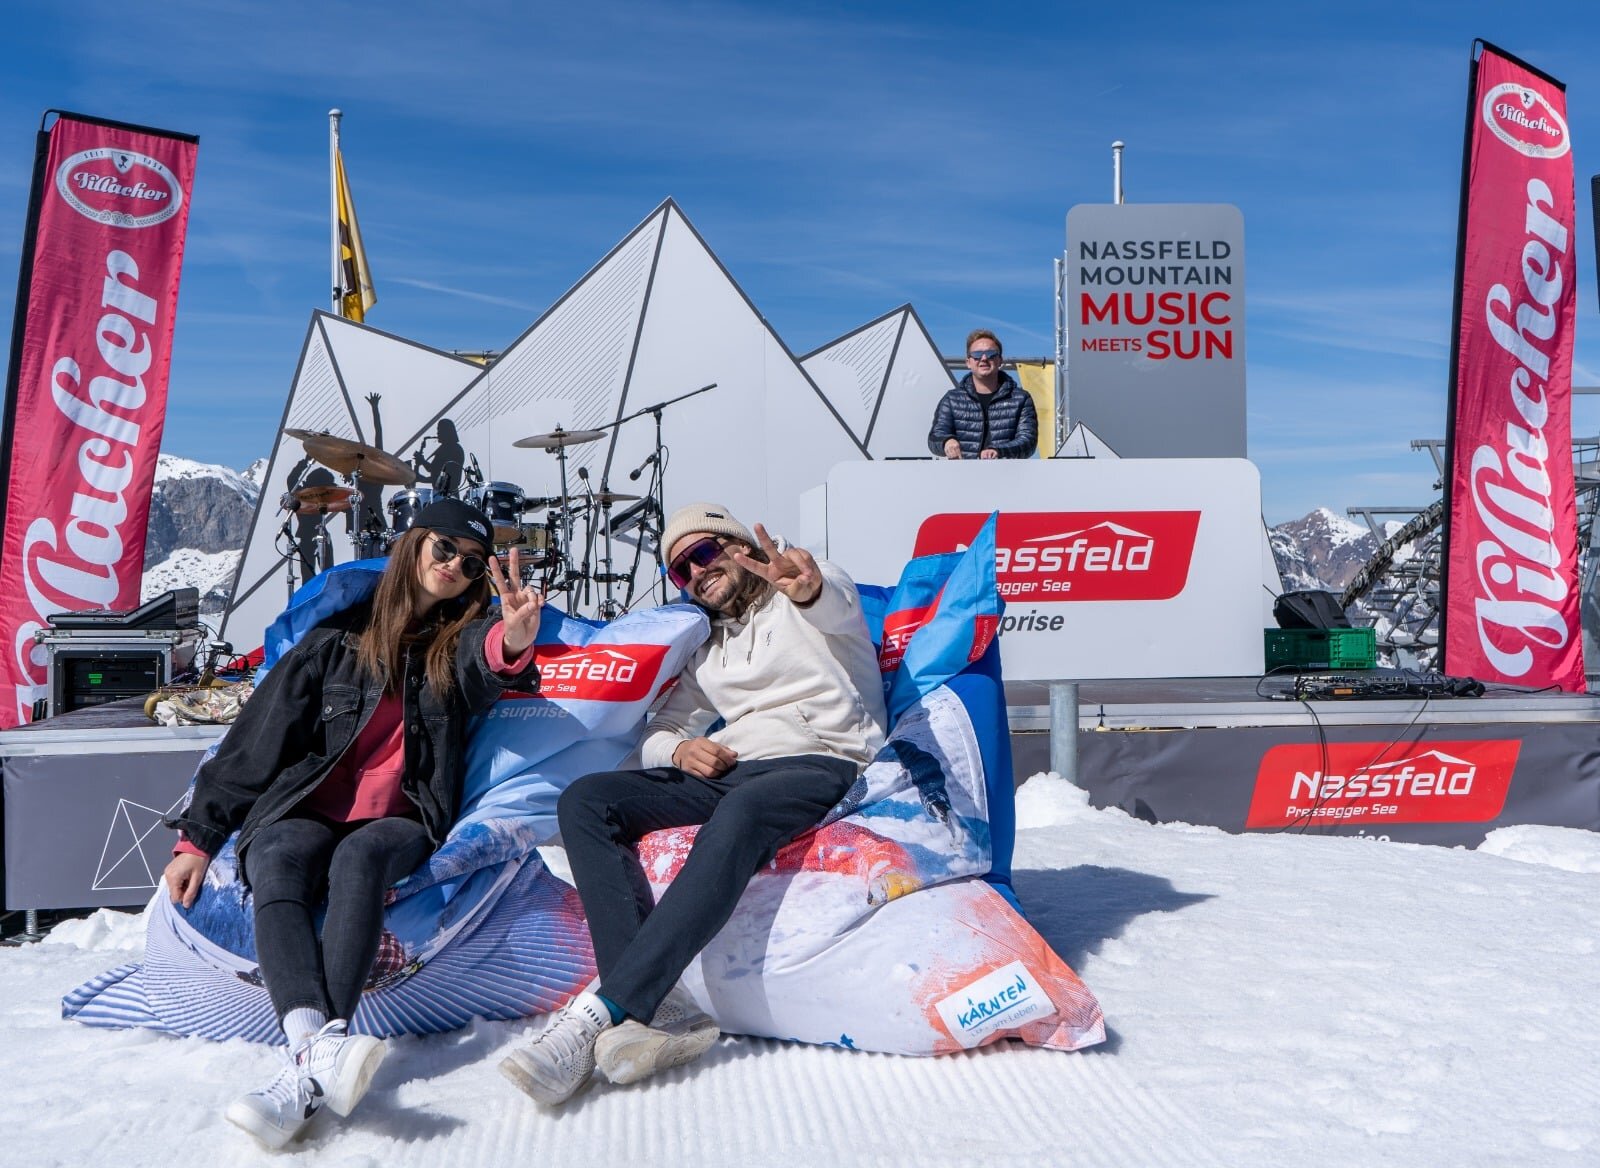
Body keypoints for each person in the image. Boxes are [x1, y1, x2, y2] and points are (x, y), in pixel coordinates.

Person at [163, 499, 543, 1150]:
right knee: (277, 854)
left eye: (472, 561)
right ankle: (318, 1053)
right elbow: (256, 743)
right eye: (444, 548)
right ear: (413, 546)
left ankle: (304, 1069)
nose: (455, 565)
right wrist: (198, 838)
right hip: (307, 805)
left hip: (403, 817)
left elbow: (490, 668)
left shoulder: (454, 648)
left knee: (356, 861)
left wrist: (513, 639)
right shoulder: (331, 642)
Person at [500, 502, 888, 1105]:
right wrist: (681, 752)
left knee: (739, 815)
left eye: (706, 553)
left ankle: (604, 1010)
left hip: (822, 759)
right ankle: (664, 1004)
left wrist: (807, 586)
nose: (698, 571)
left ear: (739, 546)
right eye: (683, 569)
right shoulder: (708, 648)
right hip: (736, 767)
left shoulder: (806, 594)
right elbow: (660, 728)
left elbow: (830, 598)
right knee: (587, 800)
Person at [927, 328, 1038, 459]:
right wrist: (946, 442)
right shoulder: (951, 399)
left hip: (1007, 475)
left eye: (991, 354)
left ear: (1000, 360)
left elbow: (1028, 442)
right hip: (962, 476)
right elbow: (934, 438)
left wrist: (998, 451)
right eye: (977, 354)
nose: (984, 358)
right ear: (968, 362)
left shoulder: (1021, 399)